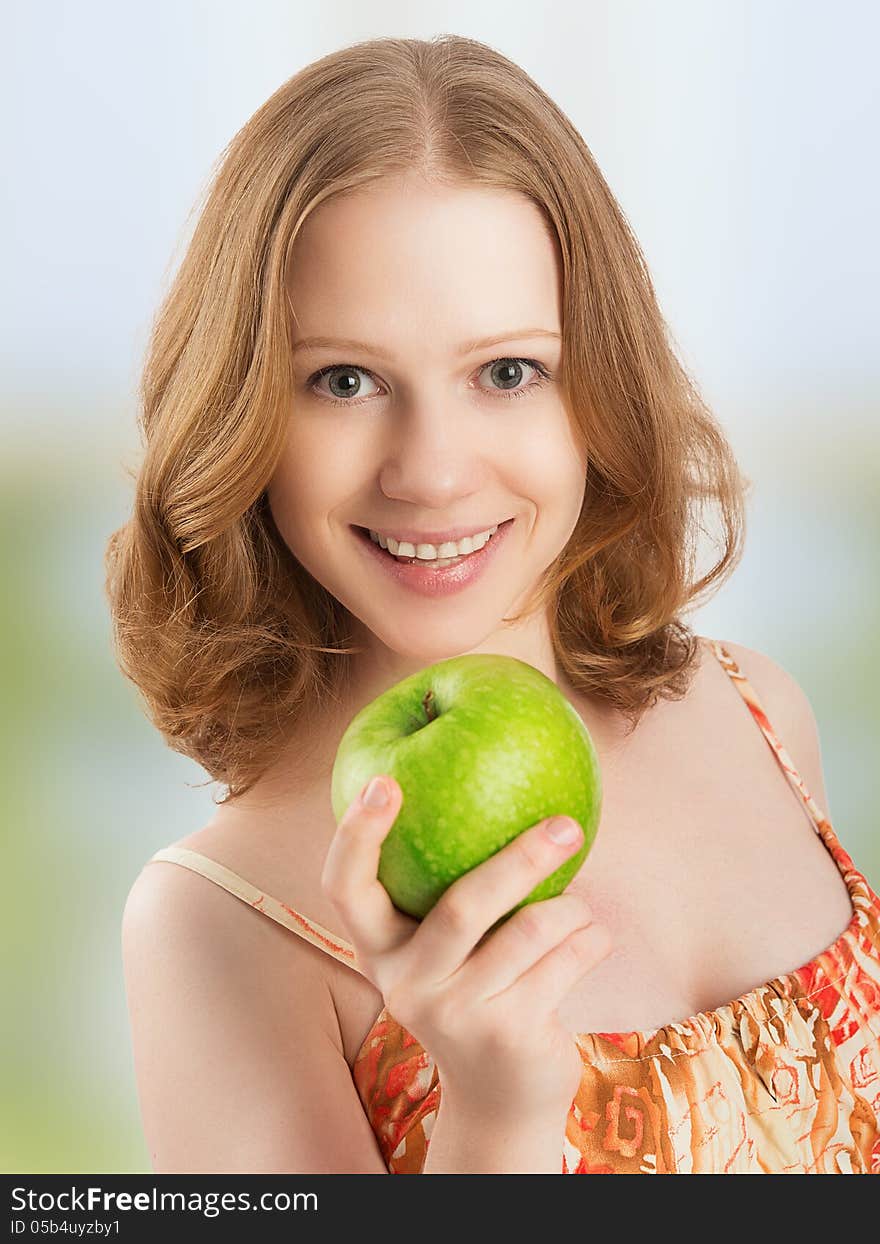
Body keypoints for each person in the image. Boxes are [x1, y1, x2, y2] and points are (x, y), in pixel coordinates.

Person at [108, 35, 880, 1175]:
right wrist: (498, 1120)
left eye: (507, 371)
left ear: (596, 388)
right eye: (345, 380)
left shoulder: (757, 708)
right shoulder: (220, 926)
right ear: (245, 418)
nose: (430, 470)